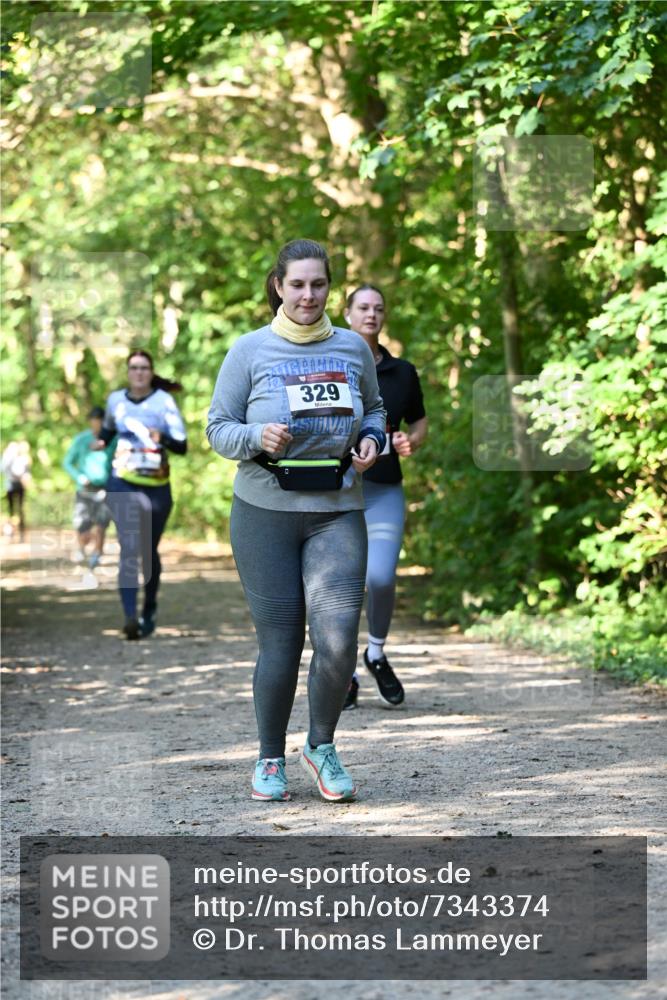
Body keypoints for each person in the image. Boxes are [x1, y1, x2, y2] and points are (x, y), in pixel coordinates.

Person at [207, 239, 386, 804]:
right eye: (298, 284)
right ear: (279, 287)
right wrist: (256, 436)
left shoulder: (353, 348)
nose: (309, 295)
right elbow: (217, 428)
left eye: (319, 284)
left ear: (330, 287)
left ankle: (322, 745)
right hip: (265, 512)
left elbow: (375, 408)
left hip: (337, 510)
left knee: (336, 640)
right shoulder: (249, 351)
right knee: (281, 643)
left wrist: (373, 438)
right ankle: (268, 757)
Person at [343, 284, 427, 709]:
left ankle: (374, 652)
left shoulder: (402, 372)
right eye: (363, 307)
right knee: (342, 586)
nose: (371, 314)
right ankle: (345, 674)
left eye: (378, 308)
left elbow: (419, 424)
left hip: (384, 490)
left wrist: (411, 441)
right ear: (347, 313)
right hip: (338, 493)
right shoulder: (331, 363)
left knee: (379, 577)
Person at [92, 350, 187, 640]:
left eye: (144, 368)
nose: (139, 373)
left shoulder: (164, 402)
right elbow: (109, 429)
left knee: (148, 550)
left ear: (151, 372)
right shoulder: (115, 400)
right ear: (127, 372)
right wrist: (101, 442)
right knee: (130, 546)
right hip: (121, 482)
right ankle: (130, 616)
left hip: (156, 486)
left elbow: (182, 446)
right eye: (133, 368)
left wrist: (162, 438)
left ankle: (150, 607)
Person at [62, 406, 116, 569]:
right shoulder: (81, 439)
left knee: (101, 523)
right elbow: (67, 462)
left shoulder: (113, 439)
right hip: (85, 488)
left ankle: (97, 554)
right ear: (90, 421)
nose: (97, 424)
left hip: (105, 487)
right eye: (95, 420)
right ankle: (81, 548)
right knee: (83, 524)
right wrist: (79, 476)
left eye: (101, 420)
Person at [2, 440, 32, 541]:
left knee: (20, 509)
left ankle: (22, 533)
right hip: (10, 485)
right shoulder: (7, 458)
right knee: (11, 509)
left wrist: (26, 479)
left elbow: (27, 471)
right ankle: (11, 532)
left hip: (20, 486)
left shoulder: (23, 458)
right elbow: (4, 469)